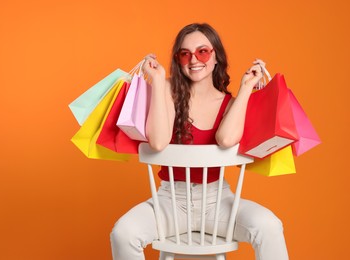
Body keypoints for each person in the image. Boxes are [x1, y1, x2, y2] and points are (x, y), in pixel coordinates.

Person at [110, 23, 289, 260]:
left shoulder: (230, 103)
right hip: (171, 201)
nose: (194, 60)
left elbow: (225, 139)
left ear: (216, 57)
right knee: (123, 232)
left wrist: (246, 88)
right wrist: (158, 79)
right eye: (185, 54)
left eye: (202, 51)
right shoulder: (167, 90)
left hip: (218, 203)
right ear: (178, 60)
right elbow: (159, 142)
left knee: (269, 226)